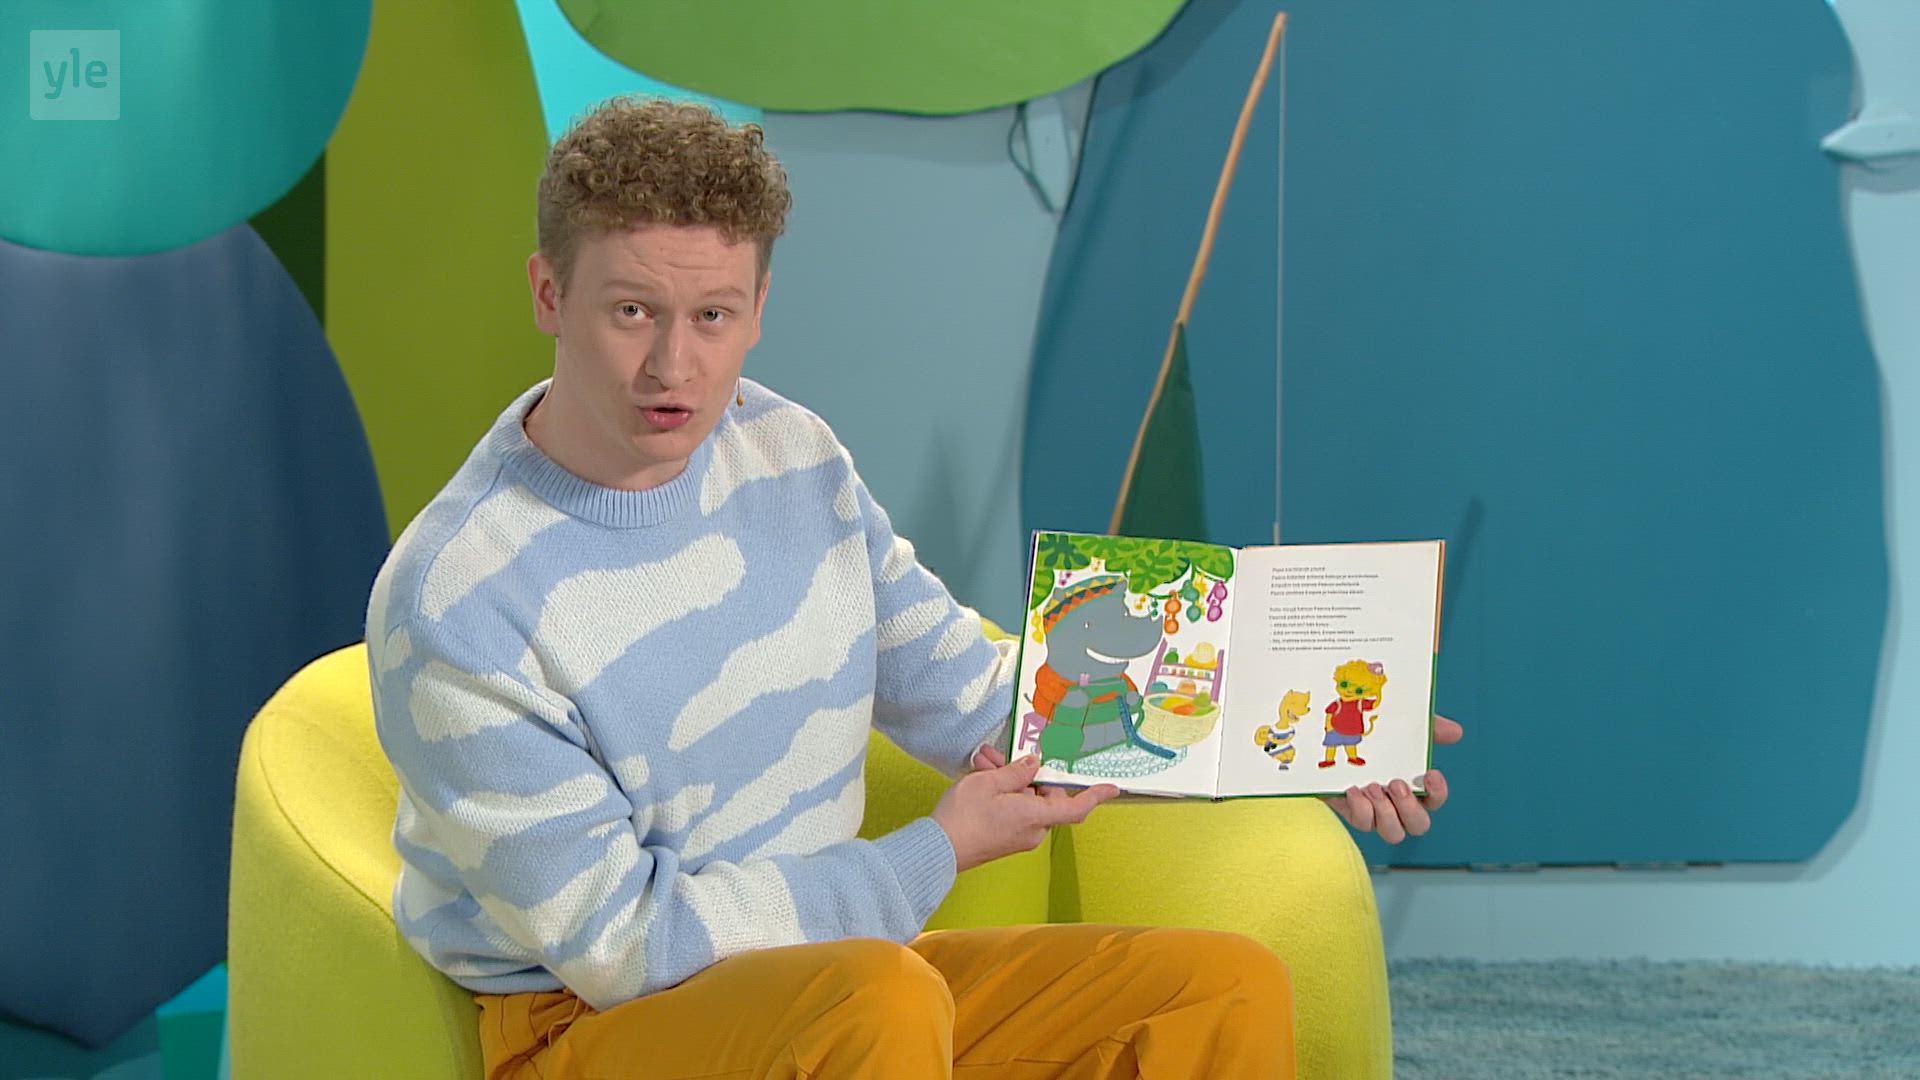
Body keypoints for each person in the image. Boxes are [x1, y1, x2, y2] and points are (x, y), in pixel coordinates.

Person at [366, 95, 1459, 1080]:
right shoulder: (459, 595)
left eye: (713, 317)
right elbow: (625, 947)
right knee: (878, 996)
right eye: (632, 312)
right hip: (589, 1023)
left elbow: (986, 701)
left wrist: (1298, 742)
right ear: (550, 293)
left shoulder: (792, 455)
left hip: (840, 976)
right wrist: (937, 852)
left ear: (760, 305)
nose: (675, 369)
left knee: (1219, 991)